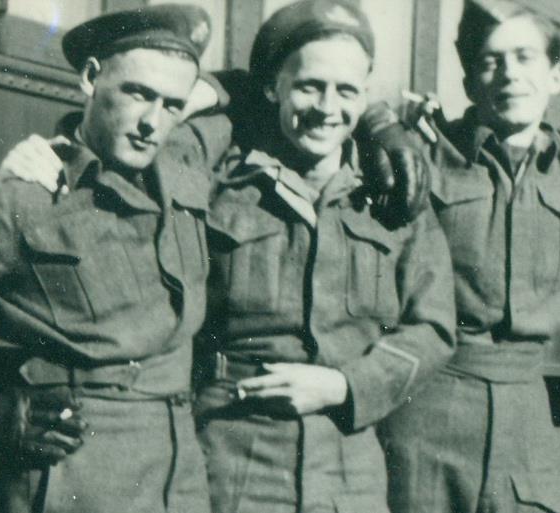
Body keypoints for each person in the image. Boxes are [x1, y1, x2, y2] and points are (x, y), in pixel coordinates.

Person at [0, 5, 215, 512]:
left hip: (179, 482)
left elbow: (237, 91)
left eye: (172, 104)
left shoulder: (183, 175)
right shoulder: (22, 197)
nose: (151, 124)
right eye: (137, 93)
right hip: (75, 477)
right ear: (91, 78)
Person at [190, 2, 455, 512]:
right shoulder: (222, 184)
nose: (327, 108)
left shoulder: (392, 198)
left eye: (347, 90)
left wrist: (344, 385)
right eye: (310, 86)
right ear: (273, 87)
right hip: (231, 464)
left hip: (348, 474)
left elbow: (436, 326)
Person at [376, 2, 560, 512]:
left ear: (555, 75)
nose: (510, 74)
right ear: (470, 84)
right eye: (491, 62)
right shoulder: (426, 155)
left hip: (528, 420)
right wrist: (376, 122)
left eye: (525, 57)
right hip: (431, 406)